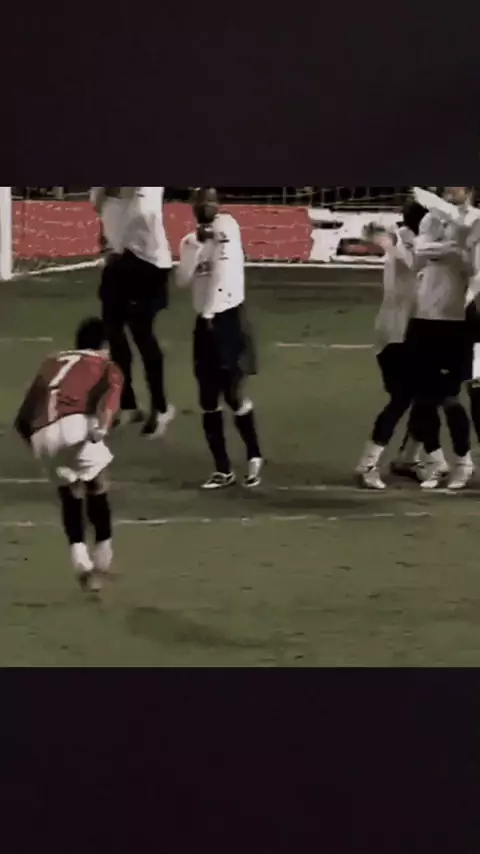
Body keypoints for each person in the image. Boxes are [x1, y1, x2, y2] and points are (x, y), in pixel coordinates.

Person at [14, 317, 123, 593]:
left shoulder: (52, 362)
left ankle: (80, 562)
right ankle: (103, 556)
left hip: (41, 433)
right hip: (75, 426)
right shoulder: (106, 365)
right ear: (104, 345)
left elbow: (22, 419)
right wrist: (102, 427)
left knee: (70, 489)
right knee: (98, 483)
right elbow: (110, 398)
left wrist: (41, 448)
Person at [176, 188, 264, 489]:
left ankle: (254, 456)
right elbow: (182, 280)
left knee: (233, 393)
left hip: (228, 320)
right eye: (201, 202)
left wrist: (211, 313)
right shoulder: (189, 242)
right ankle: (222, 469)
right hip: (204, 324)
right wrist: (194, 247)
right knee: (207, 399)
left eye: (211, 201)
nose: (206, 206)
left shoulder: (228, 226)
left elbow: (224, 274)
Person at [406, 187, 477, 491]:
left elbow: (469, 263)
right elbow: (419, 252)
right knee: (422, 397)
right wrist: (450, 248)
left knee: (449, 398)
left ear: (470, 190)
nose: (449, 188)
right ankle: (435, 461)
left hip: (454, 321)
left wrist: (446, 249)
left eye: (456, 184)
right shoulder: (430, 220)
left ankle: (463, 462)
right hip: (422, 316)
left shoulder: (475, 220)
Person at [355, 200, 429, 489]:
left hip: (415, 332)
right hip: (397, 335)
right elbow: (382, 237)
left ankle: (408, 458)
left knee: (427, 396)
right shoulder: (407, 240)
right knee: (402, 398)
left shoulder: (424, 242)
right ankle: (368, 464)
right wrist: (379, 233)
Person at [97, 187, 175, 438]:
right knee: (113, 332)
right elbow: (101, 207)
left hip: (149, 265)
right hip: (119, 260)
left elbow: (140, 211)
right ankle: (128, 405)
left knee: (142, 333)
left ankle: (161, 407)